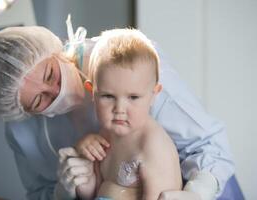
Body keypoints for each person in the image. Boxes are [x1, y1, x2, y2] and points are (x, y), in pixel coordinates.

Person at [0, 24, 243, 200]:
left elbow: (210, 145)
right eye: (39, 100)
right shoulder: (22, 129)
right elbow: (42, 192)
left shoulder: (126, 63)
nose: (54, 91)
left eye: (50, 74)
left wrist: (199, 191)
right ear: (22, 110)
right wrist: (65, 190)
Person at [74, 28, 182, 199]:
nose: (119, 109)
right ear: (92, 92)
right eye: (108, 96)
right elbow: (92, 193)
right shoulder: (105, 136)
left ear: (154, 95)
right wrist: (85, 170)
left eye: (133, 97)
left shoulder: (153, 146)